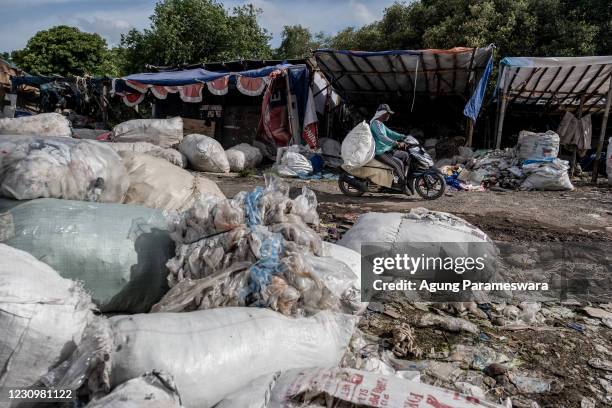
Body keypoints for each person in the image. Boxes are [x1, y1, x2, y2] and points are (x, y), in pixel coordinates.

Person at [370, 104, 410, 185]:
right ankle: (402, 185)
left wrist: (403, 136)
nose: (389, 115)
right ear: (382, 113)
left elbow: (391, 133)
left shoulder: (381, 124)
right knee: (398, 164)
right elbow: (382, 137)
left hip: (388, 150)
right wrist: (395, 143)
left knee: (406, 155)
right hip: (380, 152)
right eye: (388, 113)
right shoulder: (375, 124)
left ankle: (401, 177)